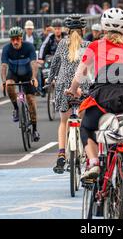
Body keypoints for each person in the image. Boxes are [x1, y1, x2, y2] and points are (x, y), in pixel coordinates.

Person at [66, 7, 123, 181]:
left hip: (104, 97)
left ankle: (94, 162)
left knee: (87, 127)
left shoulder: (95, 46)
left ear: (103, 27)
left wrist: (73, 90)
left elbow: (80, 73)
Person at [48, 15, 90, 173]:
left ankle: (61, 155)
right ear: (83, 30)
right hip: (83, 86)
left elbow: (54, 65)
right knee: (85, 121)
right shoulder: (88, 45)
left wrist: (49, 80)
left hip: (63, 86)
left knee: (63, 122)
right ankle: (86, 153)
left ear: (67, 30)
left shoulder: (61, 44)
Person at [1, 27, 40, 142]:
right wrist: (3, 81)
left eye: (17, 39)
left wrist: (33, 77)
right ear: (10, 40)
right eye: (13, 40)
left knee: (31, 101)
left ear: (21, 39)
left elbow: (34, 63)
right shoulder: (6, 49)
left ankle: (34, 129)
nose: (15, 42)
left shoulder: (29, 47)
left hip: (27, 74)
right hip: (14, 73)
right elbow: (3, 66)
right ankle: (16, 109)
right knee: (9, 85)